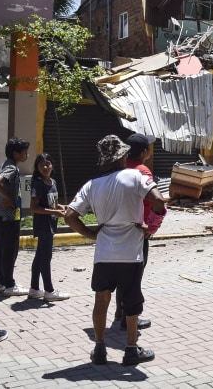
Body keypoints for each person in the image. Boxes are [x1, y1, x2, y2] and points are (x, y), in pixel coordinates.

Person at [64, 135, 166, 366]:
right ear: (122, 155)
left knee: (101, 299)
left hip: (104, 253)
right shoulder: (136, 176)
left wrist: (91, 234)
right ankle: (131, 350)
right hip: (131, 252)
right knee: (131, 302)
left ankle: (99, 349)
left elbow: (70, 215)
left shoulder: (92, 184)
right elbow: (159, 201)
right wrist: (150, 227)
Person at [113, 133, 159, 331]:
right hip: (137, 231)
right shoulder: (143, 172)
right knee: (134, 276)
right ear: (144, 152)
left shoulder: (118, 169)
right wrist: (152, 227)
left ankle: (119, 311)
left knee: (121, 274)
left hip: (116, 230)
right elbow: (156, 201)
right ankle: (128, 317)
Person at [28, 153, 70, 302]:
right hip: (43, 225)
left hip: (51, 224)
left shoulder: (53, 182)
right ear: (37, 168)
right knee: (46, 257)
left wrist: (63, 207)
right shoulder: (37, 184)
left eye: (48, 164)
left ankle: (34, 289)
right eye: (42, 165)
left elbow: (53, 203)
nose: (45, 167)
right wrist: (54, 211)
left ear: (52, 165)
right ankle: (49, 291)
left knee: (40, 256)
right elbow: (34, 208)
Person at [0, 137, 30, 296]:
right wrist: (8, 198)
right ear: (16, 154)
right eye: (25, 152)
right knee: (10, 250)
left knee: (1, 250)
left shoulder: (5, 164)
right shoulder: (12, 168)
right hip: (9, 217)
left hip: (0, 216)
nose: (27, 155)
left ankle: (1, 283)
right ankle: (9, 285)